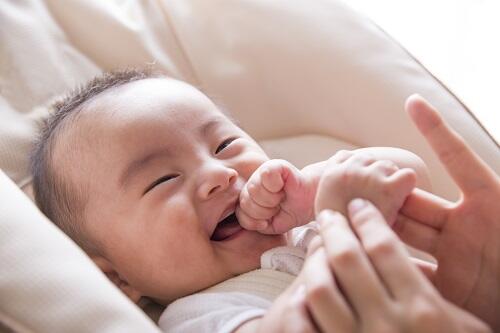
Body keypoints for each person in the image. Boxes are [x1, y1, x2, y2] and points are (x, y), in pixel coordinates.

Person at [30, 68, 429, 332]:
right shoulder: (200, 316)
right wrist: (338, 230)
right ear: (117, 278)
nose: (219, 174)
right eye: (163, 180)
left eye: (225, 144)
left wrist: (324, 187)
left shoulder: (311, 217)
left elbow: (413, 178)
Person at [267, 95, 497, 333]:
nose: (224, 174)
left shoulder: (305, 227)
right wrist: (336, 217)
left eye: (228, 145)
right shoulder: (227, 304)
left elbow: (413, 175)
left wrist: (315, 187)